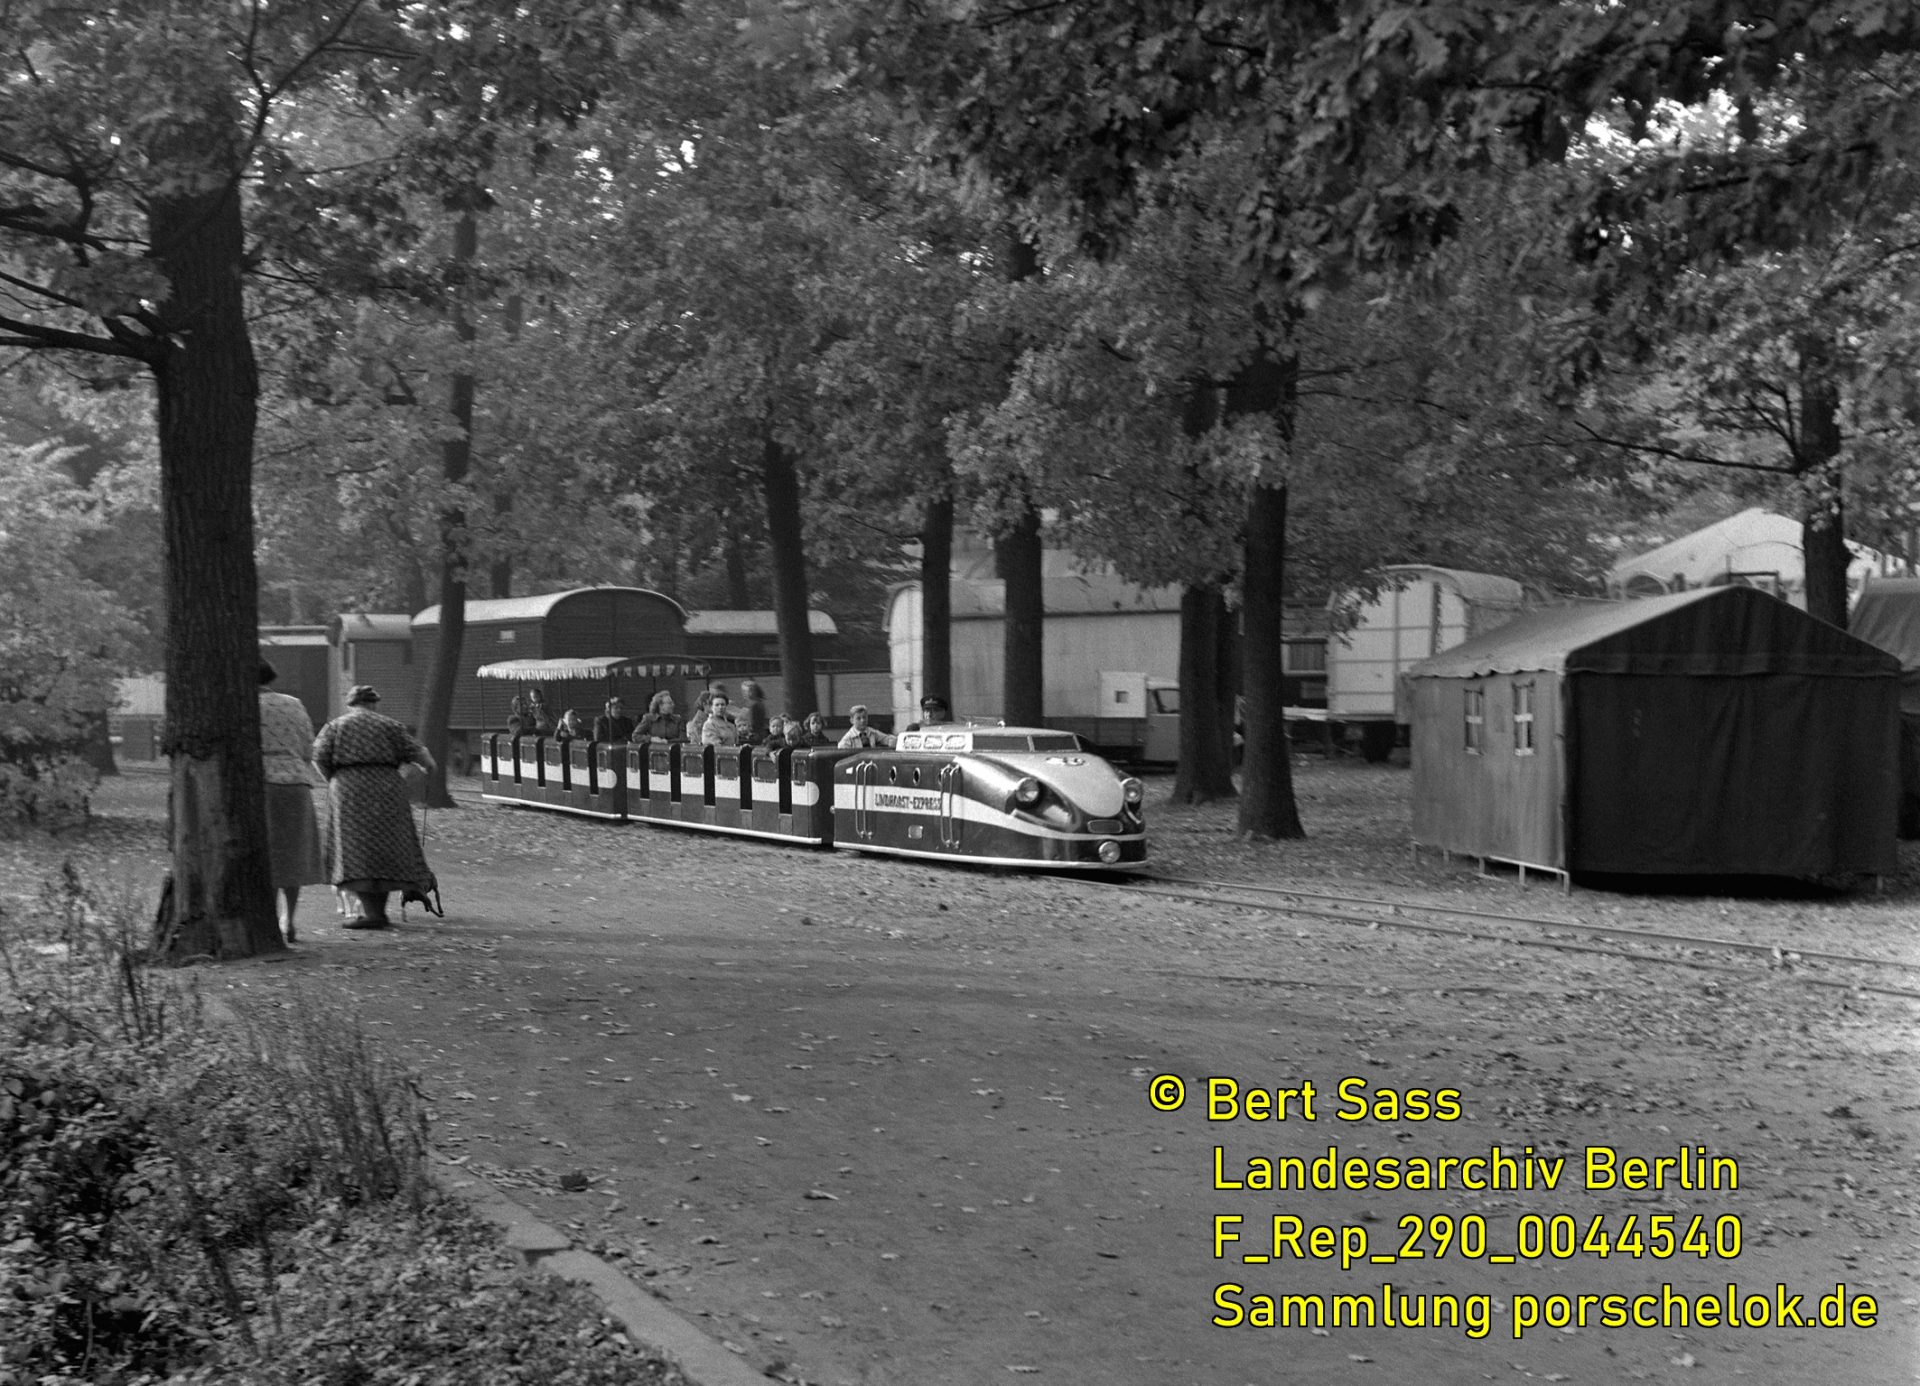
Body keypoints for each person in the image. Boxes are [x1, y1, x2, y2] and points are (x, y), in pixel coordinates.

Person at [312, 684, 438, 931]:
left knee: (355, 850)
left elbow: (319, 757)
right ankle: (377, 912)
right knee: (385, 848)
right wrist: (426, 771)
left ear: (350, 705)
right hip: (387, 790)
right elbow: (423, 757)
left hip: (348, 791)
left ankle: (373, 914)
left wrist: (335, 780)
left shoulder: (335, 726)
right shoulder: (391, 726)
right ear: (374, 704)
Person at [258, 661, 326, 942]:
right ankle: (289, 919)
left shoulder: (245, 706)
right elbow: (309, 746)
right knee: (293, 853)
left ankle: (269, 918)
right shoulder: (294, 704)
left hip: (262, 783)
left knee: (267, 854)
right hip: (297, 783)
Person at [738, 680, 771, 746]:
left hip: (755, 736)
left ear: (752, 692)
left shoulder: (754, 705)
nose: (744, 694)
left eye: (745, 691)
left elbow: (752, 723)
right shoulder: (758, 703)